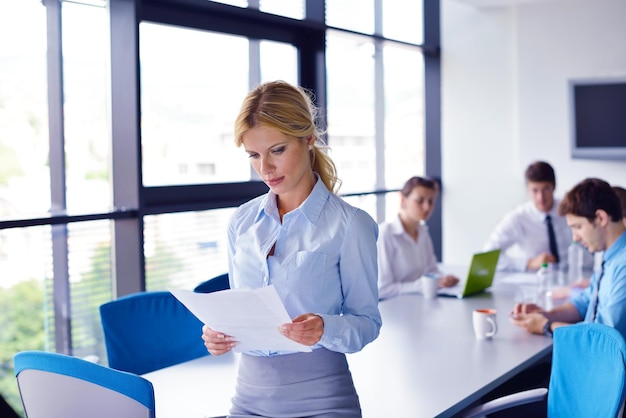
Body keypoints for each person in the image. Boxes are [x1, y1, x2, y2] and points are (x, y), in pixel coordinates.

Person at [201, 80, 382, 418]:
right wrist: (218, 335)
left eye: (277, 150)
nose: (265, 168)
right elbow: (238, 306)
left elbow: (368, 323)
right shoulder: (242, 222)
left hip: (323, 404)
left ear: (309, 139)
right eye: (254, 155)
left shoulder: (349, 225)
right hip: (247, 401)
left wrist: (325, 327)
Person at [510, 178, 626, 338]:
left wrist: (546, 326)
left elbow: (605, 337)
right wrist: (546, 315)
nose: (575, 237)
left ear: (601, 218)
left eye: (578, 227)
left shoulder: (623, 264)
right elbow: (586, 302)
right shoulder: (610, 256)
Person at [483, 160, 593, 272]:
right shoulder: (518, 218)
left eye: (546, 189)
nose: (540, 197)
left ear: (554, 187)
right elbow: (487, 256)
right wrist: (528, 263)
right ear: (527, 190)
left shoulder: (570, 210)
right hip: (538, 280)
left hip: (576, 276)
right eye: (534, 190)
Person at [377, 176, 459, 300]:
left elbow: (431, 270)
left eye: (431, 201)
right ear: (403, 201)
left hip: (419, 302)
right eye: (420, 201)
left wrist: (444, 279)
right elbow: (383, 289)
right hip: (394, 309)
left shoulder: (423, 231)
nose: (427, 207)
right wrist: (425, 285)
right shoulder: (385, 234)